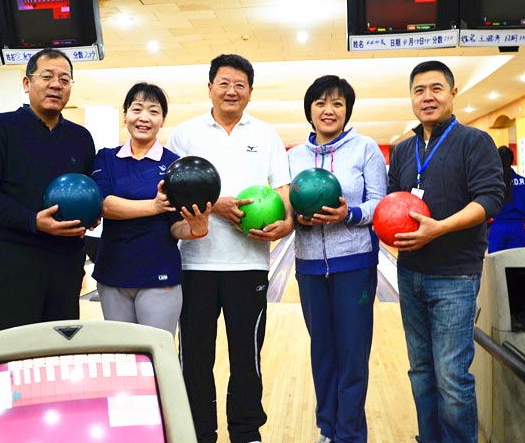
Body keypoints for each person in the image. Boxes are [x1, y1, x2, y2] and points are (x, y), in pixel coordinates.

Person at [167, 53, 294, 443]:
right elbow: (173, 194)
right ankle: (199, 432)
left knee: (246, 357)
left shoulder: (266, 135)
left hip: (249, 264)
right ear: (209, 88)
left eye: (240, 84)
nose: (231, 91)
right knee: (195, 359)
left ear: (250, 92)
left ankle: (246, 431)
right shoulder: (185, 134)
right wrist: (215, 204)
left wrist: (286, 223)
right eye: (223, 83)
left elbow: (283, 190)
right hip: (195, 265)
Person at [387, 60, 504, 443]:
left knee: (451, 377)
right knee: (421, 370)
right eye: (419, 90)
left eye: (436, 89)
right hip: (411, 272)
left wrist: (439, 228)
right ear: (411, 97)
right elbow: (393, 201)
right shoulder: (403, 150)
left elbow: (490, 199)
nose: (427, 97)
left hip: (455, 275)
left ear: (453, 94)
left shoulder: (474, 141)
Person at [287, 75, 386, 443]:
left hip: (354, 264)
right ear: (309, 110)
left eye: (337, 104)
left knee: (353, 354)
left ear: (347, 111)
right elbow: (287, 207)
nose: (328, 110)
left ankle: (350, 434)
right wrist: (298, 219)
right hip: (310, 266)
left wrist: (349, 214)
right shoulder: (293, 157)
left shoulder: (365, 148)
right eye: (321, 103)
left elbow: (380, 204)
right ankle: (327, 428)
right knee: (323, 353)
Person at [0, 48, 95, 333]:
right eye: (47, 76)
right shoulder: (0, 128)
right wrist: (33, 221)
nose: (56, 85)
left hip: (66, 261)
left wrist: (91, 214)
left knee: (59, 346)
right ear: (27, 83)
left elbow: (87, 191)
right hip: (15, 260)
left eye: (64, 79)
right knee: (14, 347)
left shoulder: (81, 138)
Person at [90, 83, 210, 337]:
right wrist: (153, 206)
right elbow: (103, 205)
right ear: (125, 116)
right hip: (113, 274)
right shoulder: (106, 158)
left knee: (157, 352)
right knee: (122, 354)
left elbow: (175, 225)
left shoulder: (174, 165)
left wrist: (195, 229)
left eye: (153, 111)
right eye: (137, 109)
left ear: (162, 120)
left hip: (159, 275)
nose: (144, 117)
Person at [488, 145, 525, 252]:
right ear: (512, 161)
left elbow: (484, 206)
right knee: (516, 261)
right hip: (518, 229)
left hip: (497, 228)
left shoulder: (492, 182)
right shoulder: (522, 182)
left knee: (496, 261)